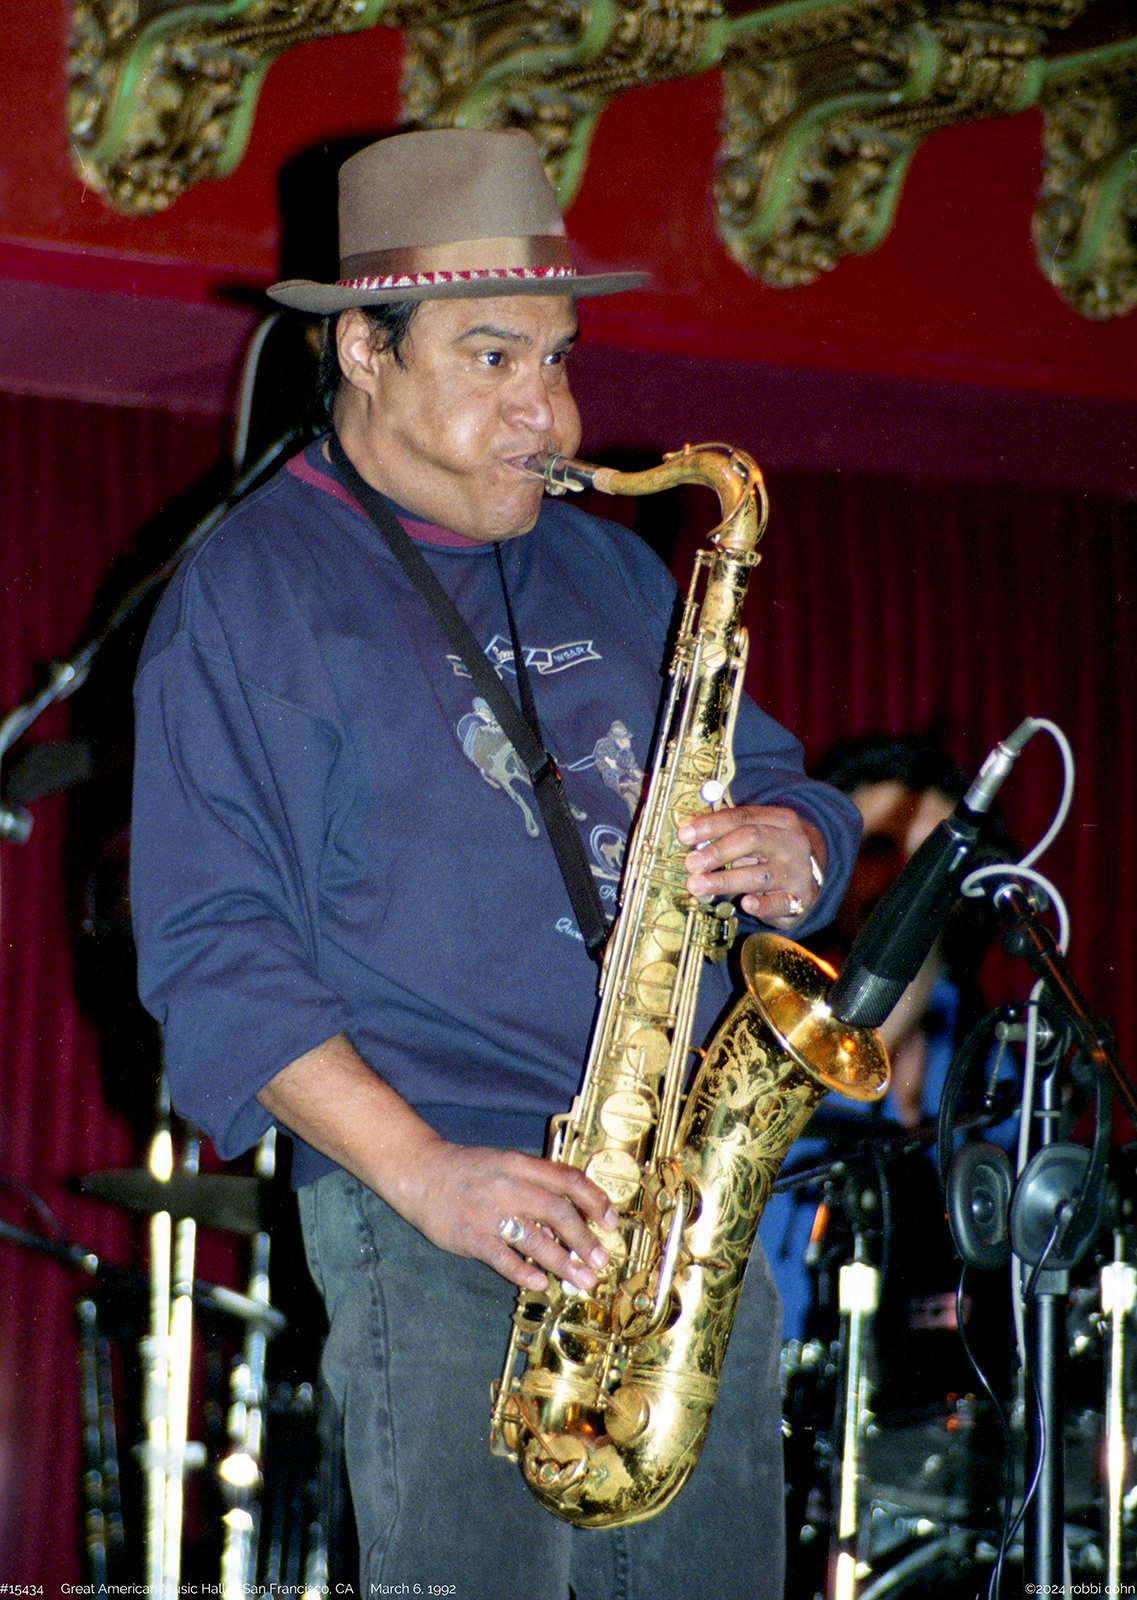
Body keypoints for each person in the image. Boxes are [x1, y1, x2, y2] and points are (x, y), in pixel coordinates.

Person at [129, 127, 863, 1599]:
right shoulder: (252, 592)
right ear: (363, 350)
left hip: (664, 1201)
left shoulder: (608, 564)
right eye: (491, 359)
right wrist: (429, 1178)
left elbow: (777, 779)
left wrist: (796, 846)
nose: (550, 411)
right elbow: (214, 952)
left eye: (559, 358)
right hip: (444, 1195)